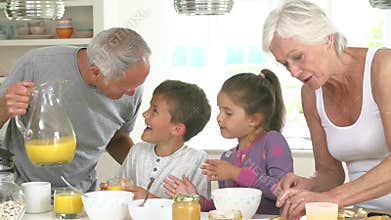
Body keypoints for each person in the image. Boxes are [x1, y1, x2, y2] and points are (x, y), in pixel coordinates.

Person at [262, 0, 391, 219]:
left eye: (298, 57)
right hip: (363, 213)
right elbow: (331, 173)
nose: (293, 72)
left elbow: (334, 193)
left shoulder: (383, 68)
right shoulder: (311, 93)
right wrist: (309, 186)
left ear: (327, 39)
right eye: (285, 64)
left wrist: (332, 198)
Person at [0, 27, 151, 192]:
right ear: (95, 73)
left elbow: (117, 139)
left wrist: (148, 172)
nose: (132, 92)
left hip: (80, 194)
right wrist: (4, 109)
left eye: (138, 84)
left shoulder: (133, 87)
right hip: (23, 191)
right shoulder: (37, 64)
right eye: (126, 87)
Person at [164, 70, 293, 215]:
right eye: (219, 110)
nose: (219, 118)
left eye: (228, 113)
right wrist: (196, 199)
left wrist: (236, 173)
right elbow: (226, 206)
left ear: (254, 119)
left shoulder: (272, 141)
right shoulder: (227, 157)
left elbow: (283, 191)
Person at [101, 80, 211, 200]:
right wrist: (111, 192)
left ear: (177, 129)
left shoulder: (197, 160)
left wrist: (149, 199)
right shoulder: (137, 151)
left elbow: (198, 211)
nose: (145, 114)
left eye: (154, 110)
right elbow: (122, 194)